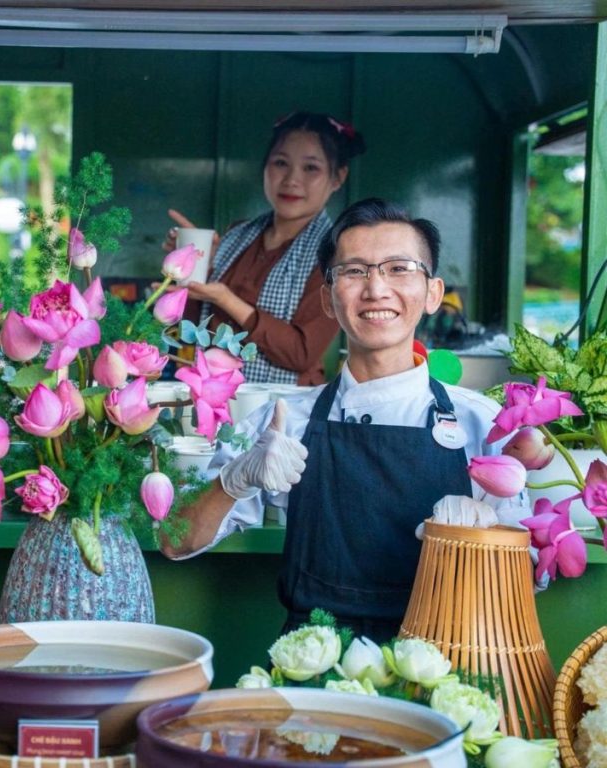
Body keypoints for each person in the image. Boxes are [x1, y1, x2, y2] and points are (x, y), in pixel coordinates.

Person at [161, 198, 528, 641]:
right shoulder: (283, 419)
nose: (375, 289)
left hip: (442, 668)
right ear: (328, 299)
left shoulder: (484, 424)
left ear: (432, 293)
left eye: (399, 268)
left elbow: (528, 579)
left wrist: (489, 538)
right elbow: (175, 540)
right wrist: (234, 479)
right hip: (312, 670)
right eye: (354, 271)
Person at [164, 112, 366, 385]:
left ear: (337, 177)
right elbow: (191, 325)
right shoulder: (238, 236)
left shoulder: (336, 253)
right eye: (281, 163)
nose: (292, 179)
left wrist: (226, 299)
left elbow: (301, 354)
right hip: (213, 398)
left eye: (311, 168)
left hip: (286, 410)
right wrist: (193, 269)